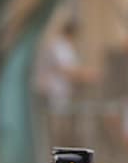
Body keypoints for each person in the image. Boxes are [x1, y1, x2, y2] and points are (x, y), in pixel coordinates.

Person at [34, 19, 95, 147]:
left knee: (63, 124)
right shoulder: (58, 45)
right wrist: (87, 74)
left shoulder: (66, 46)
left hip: (62, 93)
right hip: (53, 91)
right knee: (56, 126)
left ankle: (61, 148)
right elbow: (65, 70)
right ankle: (54, 150)